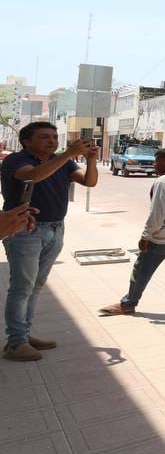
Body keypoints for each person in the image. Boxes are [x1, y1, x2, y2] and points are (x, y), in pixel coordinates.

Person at [0, 123, 99, 362]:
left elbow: (89, 181)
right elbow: (34, 176)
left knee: (36, 286)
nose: (52, 141)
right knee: (22, 287)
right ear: (27, 141)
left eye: (54, 137)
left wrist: (92, 159)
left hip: (55, 228)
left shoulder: (61, 160)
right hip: (26, 229)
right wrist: (67, 154)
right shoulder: (16, 160)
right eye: (44, 137)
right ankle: (16, 342)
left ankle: (23, 334)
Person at [98, 148, 165, 317]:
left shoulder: (164, 181)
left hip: (162, 239)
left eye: (157, 161)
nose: (154, 165)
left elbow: (157, 213)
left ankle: (128, 304)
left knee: (142, 270)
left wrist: (145, 236)